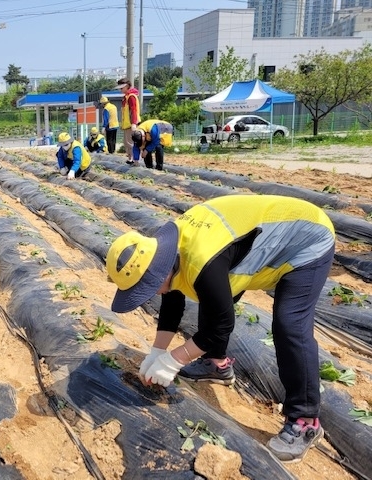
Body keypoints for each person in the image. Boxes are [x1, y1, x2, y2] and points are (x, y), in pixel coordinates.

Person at [106, 194, 335, 464]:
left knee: (290, 324)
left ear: (159, 271)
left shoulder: (202, 261)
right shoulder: (164, 253)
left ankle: (306, 420)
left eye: (146, 288)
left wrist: (174, 359)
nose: (148, 294)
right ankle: (217, 364)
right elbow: (172, 303)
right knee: (211, 295)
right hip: (244, 242)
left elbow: (221, 323)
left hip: (306, 237)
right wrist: (157, 352)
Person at [115, 78, 140, 164]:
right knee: (126, 143)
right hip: (126, 125)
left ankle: (133, 159)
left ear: (126, 86)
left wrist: (133, 123)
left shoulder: (131, 97)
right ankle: (130, 158)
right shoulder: (125, 97)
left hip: (130, 124)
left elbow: (133, 110)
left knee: (130, 143)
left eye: (121, 88)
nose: (120, 90)